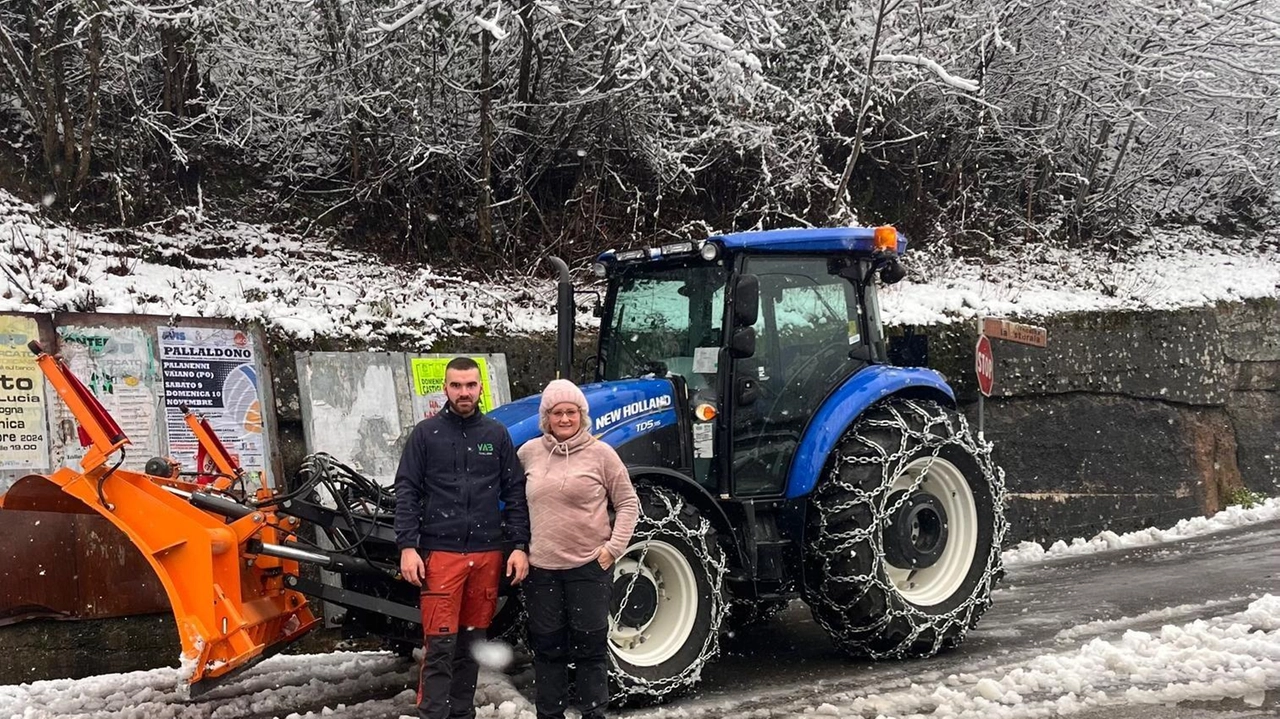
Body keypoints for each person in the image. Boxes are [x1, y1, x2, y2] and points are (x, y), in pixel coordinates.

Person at [394, 356, 530, 719]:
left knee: (471, 646)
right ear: (446, 388)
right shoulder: (426, 435)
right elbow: (406, 490)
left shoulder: (496, 435)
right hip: (441, 554)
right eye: (457, 385)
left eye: (471, 385)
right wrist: (407, 546)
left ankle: (461, 714)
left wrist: (518, 546)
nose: (464, 392)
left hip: (487, 555)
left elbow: (515, 491)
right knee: (439, 647)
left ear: (481, 387)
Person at [518, 379, 639, 719]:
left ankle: (594, 713)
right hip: (542, 569)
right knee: (547, 649)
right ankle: (550, 714)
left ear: (582, 415)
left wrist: (612, 550)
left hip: (589, 567)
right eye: (558, 412)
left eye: (571, 411)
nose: (565, 419)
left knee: (590, 650)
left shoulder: (602, 454)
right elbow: (513, 502)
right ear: (547, 417)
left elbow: (628, 504)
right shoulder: (528, 453)